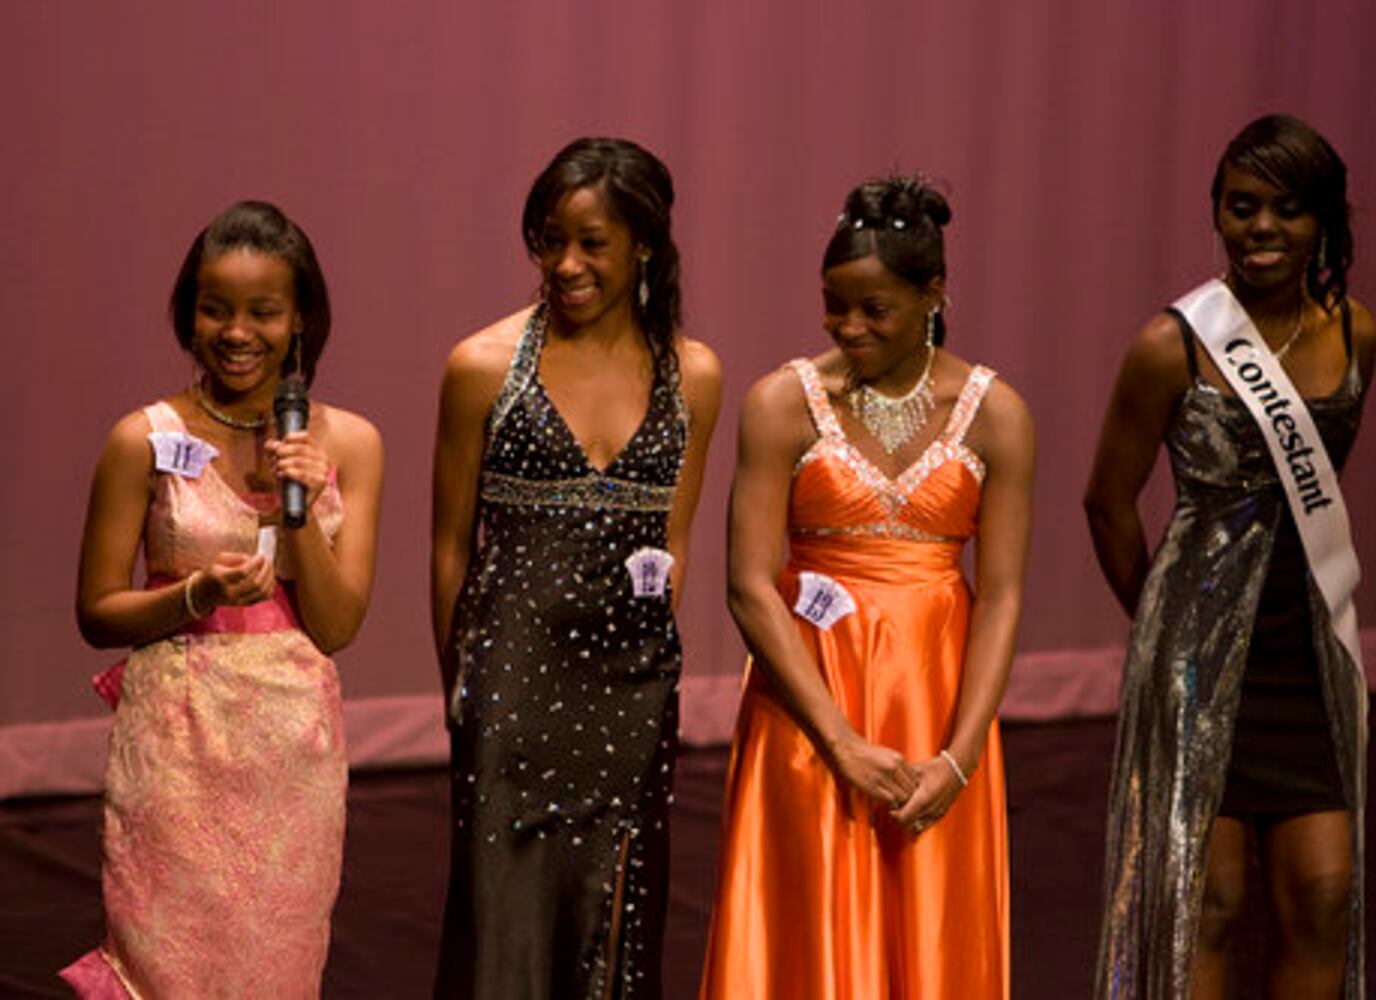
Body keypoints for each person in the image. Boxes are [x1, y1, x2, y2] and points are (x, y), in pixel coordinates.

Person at [699, 177, 1033, 999]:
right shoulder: (782, 404)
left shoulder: (997, 415)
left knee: (928, 930)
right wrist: (841, 742)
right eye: (833, 306)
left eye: (873, 310)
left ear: (932, 296)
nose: (849, 328)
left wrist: (958, 760)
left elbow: (1003, 597)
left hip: (937, 710)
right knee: (805, 928)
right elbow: (747, 585)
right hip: (809, 709)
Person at [1085, 114, 1376, 999]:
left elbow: (1313, 496)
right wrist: (1167, 630)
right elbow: (1106, 502)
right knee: (1207, 901)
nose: (1261, 228)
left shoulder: (1356, 333)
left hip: (1309, 651)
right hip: (1198, 652)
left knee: (1324, 893)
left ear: (1323, 220)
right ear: (1216, 212)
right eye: (1242, 206)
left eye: (1287, 210)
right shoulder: (1169, 344)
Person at [61, 200, 384, 997]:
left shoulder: (349, 442)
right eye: (215, 309)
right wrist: (194, 593)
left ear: (300, 319)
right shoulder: (142, 437)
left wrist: (294, 502)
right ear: (188, 314)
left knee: (274, 961)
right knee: (167, 961)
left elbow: (338, 626)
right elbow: (96, 611)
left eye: (263, 312)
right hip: (177, 740)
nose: (237, 332)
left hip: (291, 752)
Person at [430, 137, 722, 999]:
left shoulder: (692, 375)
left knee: (614, 906)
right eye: (551, 240)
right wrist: (462, 690)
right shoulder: (482, 367)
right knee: (505, 916)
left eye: (591, 243)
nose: (565, 264)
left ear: (643, 244)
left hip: (630, 691)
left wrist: (658, 668)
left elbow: (674, 543)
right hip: (509, 682)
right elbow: (451, 545)